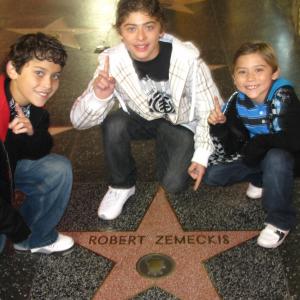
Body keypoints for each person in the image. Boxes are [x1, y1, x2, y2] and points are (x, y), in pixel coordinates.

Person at [70, 0, 222, 220]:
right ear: (120, 31)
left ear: (161, 29)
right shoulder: (111, 62)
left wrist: (201, 155)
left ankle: (167, 146)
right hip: (139, 117)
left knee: (173, 184)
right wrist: (99, 95)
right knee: (114, 123)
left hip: (177, 122)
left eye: (149, 27)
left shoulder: (188, 60)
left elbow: (208, 109)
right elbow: (78, 121)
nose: (140, 38)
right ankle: (121, 186)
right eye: (131, 28)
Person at [204, 41, 300, 248]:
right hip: (257, 155)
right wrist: (220, 126)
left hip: (289, 156)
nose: (250, 78)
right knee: (213, 175)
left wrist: (259, 143)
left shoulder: (284, 97)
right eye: (243, 72)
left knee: (276, 158)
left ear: (274, 73)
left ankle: (280, 221)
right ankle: (262, 178)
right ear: (234, 78)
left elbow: (294, 140)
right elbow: (230, 148)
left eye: (259, 70)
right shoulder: (237, 102)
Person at [0, 32, 74, 254]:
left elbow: (41, 150)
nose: (48, 85)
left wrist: (31, 133)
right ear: (13, 69)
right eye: (39, 73)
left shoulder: (34, 108)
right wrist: (18, 229)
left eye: (55, 76)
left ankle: (37, 239)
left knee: (57, 169)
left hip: (7, 173)